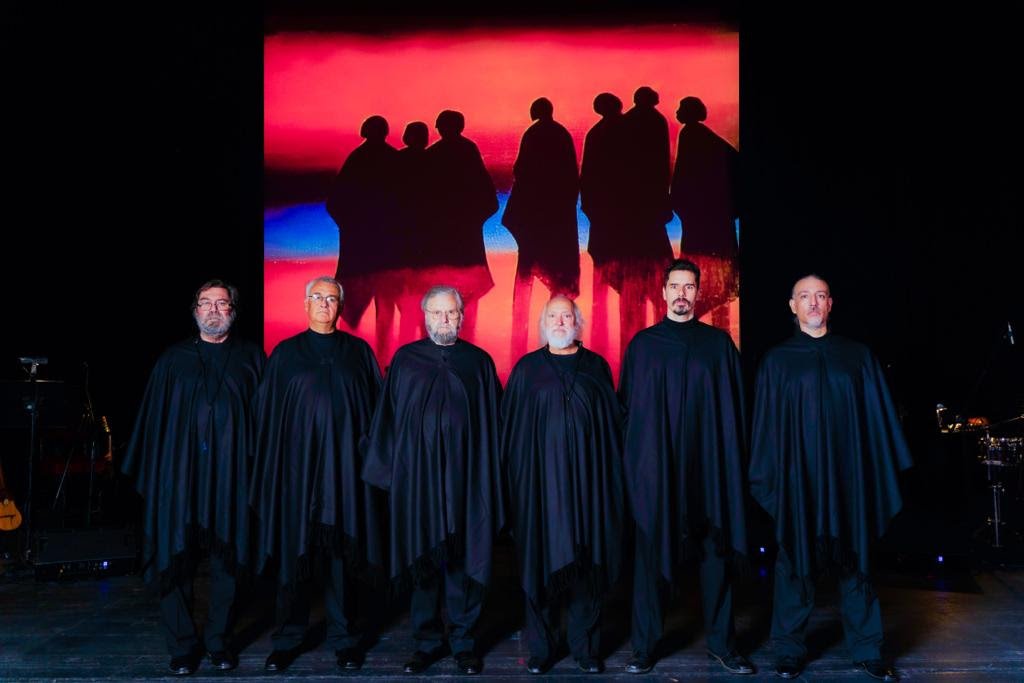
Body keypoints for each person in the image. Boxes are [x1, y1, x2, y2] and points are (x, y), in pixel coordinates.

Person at [749, 274, 911, 682]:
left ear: (830, 303)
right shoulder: (777, 361)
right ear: (792, 306)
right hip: (798, 481)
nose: (813, 303)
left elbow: (876, 422)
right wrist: (777, 482)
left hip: (847, 479)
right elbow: (766, 430)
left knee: (856, 561)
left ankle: (868, 649)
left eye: (820, 296)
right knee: (794, 562)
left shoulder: (856, 357)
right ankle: (789, 651)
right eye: (805, 296)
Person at [121, 279, 265, 675]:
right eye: (206, 303)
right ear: (195, 310)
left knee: (229, 562)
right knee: (175, 559)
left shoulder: (252, 359)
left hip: (232, 478)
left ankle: (218, 641)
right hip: (179, 479)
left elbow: (266, 422)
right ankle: (182, 646)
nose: (214, 310)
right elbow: (152, 423)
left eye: (222, 303)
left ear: (233, 310)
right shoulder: (172, 360)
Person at [619, 259, 754, 676]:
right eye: (675, 286)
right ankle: (644, 647)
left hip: (708, 470)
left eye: (689, 287)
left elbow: (735, 411)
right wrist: (640, 472)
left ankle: (723, 645)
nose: (681, 293)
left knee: (716, 556)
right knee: (649, 560)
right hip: (658, 473)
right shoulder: (643, 346)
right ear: (663, 292)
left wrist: (727, 467)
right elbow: (629, 414)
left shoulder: (718, 347)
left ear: (698, 293)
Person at [362, 285, 503, 675]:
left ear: (462, 316)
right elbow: (388, 421)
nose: (444, 319)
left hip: (466, 480)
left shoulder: (478, 363)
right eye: (437, 312)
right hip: (419, 481)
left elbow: (493, 425)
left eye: (451, 312)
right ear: (425, 317)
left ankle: (463, 643)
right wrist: (393, 477)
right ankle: (426, 643)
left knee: (463, 561)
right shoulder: (406, 361)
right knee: (422, 560)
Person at [249, 276, 384, 672]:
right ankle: (288, 639)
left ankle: (345, 639)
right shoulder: (285, 354)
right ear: (305, 304)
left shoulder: (358, 353)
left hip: (345, 474)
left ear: (341, 307)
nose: (325, 303)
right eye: (318, 297)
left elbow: (377, 413)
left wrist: (366, 461)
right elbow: (266, 416)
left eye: (332, 298)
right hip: (297, 475)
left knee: (343, 560)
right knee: (295, 559)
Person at [501, 295, 624, 674]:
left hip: (589, 487)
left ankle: (585, 649)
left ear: (577, 322)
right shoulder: (527, 370)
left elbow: (613, 428)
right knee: (540, 563)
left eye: (566, 316)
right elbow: (510, 433)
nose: (559, 322)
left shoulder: (596, 367)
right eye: (552, 316)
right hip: (540, 489)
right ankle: (542, 649)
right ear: (543, 323)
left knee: (587, 567)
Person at [502, 98, 580, 361]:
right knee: (558, 279)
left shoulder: (533, 134)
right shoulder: (561, 134)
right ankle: (558, 343)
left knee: (525, 277)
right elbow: (571, 175)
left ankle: (518, 339)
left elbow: (521, 169)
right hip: (557, 219)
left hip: (535, 219)